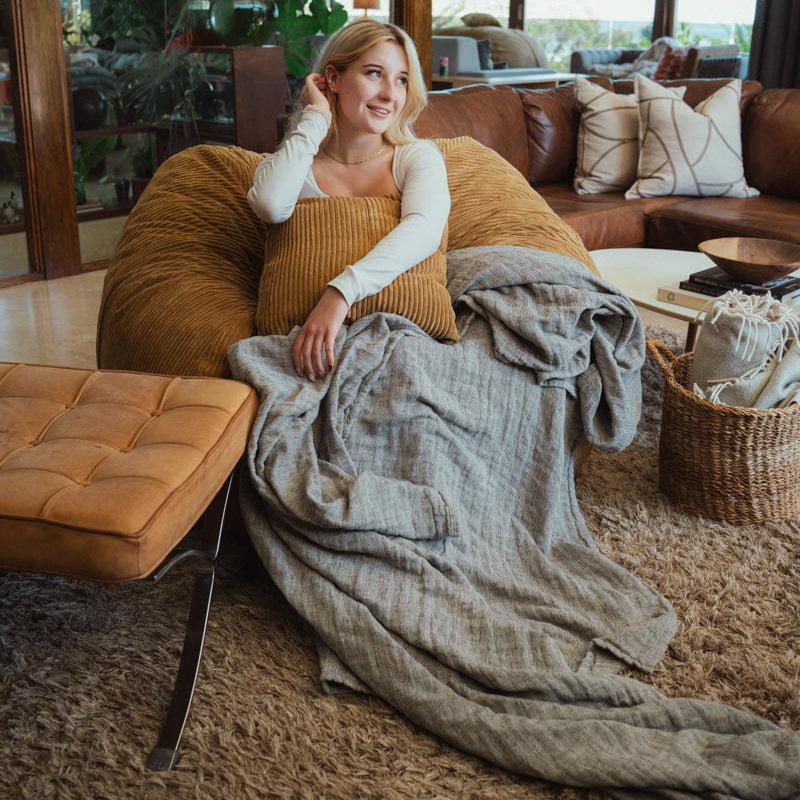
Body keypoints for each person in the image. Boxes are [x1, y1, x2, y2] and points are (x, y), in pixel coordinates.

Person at [248, 19, 450, 381]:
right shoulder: (295, 165)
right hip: (305, 354)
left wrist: (340, 293)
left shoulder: (417, 157)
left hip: (403, 346)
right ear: (333, 79)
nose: (390, 94)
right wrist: (315, 117)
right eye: (375, 73)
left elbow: (424, 230)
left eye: (402, 80)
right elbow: (270, 206)